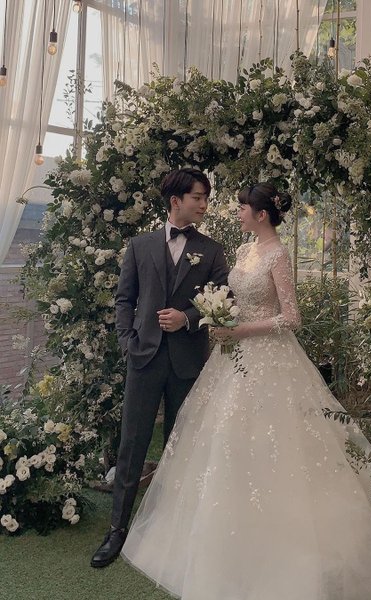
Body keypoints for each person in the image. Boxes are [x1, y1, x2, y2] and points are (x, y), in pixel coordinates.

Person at [120, 183, 371, 600]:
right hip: (231, 359)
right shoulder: (244, 251)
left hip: (269, 359)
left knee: (275, 442)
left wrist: (237, 329)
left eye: (243, 207)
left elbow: (291, 317)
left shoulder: (277, 254)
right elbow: (229, 297)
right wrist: (218, 317)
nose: (236, 212)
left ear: (261, 214)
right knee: (226, 440)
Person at [90, 168, 229, 568]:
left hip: (188, 361)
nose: (204, 205)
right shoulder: (140, 245)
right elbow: (124, 299)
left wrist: (187, 317)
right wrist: (127, 341)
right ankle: (117, 530)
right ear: (175, 201)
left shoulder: (212, 250)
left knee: (179, 445)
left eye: (206, 198)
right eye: (198, 197)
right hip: (144, 358)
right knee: (132, 444)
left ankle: (169, 529)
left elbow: (224, 296)